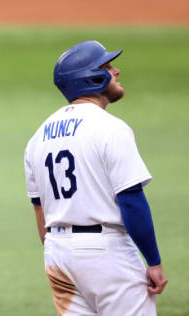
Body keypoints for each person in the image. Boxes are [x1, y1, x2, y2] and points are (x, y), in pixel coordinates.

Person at [23, 40, 168, 315]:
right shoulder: (111, 128)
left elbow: (39, 210)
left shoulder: (38, 136)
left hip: (58, 253)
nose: (117, 71)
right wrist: (154, 261)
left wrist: (66, 251)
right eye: (108, 66)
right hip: (107, 253)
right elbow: (131, 200)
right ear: (91, 78)